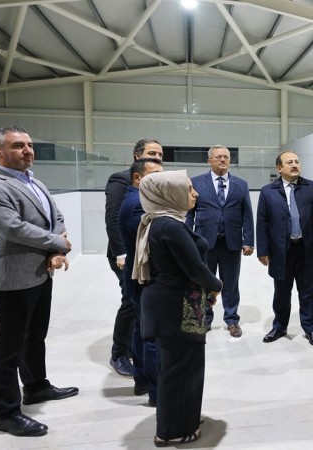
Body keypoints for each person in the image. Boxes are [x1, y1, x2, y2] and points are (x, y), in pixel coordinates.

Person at [0, 125, 78, 437]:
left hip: (40, 272)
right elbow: (13, 228)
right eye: (18, 145)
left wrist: (56, 248)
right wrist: (57, 243)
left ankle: (36, 386)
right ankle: (7, 413)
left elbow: (56, 218)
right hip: (11, 278)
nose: (27, 150)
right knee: (9, 347)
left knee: (35, 337)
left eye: (29, 145)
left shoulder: (35, 181)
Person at [132, 170, 222, 446]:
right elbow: (195, 269)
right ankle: (173, 431)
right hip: (177, 307)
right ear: (170, 194)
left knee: (178, 369)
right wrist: (216, 285)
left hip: (173, 304)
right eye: (189, 189)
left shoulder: (160, 221)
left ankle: (182, 419)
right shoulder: (169, 226)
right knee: (181, 369)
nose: (195, 193)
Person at [256, 151, 313, 347]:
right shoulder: (268, 191)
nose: (295, 165)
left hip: (307, 248)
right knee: (281, 292)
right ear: (279, 168)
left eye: (297, 161)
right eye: (289, 162)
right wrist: (262, 250)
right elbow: (262, 222)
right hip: (280, 250)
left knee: (308, 292)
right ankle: (279, 327)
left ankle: (311, 329)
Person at [104, 139, 164, 377]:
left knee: (142, 302)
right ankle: (119, 353)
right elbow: (113, 217)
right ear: (137, 155)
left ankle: (138, 348)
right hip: (127, 254)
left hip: (148, 253)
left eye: (159, 154)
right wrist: (122, 253)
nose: (157, 157)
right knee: (130, 301)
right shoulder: (120, 179)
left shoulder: (157, 178)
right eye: (152, 153)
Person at [186, 145, 254, 338]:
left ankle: (232, 320)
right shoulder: (196, 182)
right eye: (218, 157)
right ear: (209, 161)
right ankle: (204, 320)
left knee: (231, 283)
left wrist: (248, 240)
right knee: (203, 282)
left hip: (231, 243)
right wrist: (188, 239)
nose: (223, 160)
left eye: (226, 157)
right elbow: (190, 214)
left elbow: (247, 215)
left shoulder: (241, 184)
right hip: (204, 243)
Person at [118, 158, 164, 405]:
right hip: (143, 277)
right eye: (154, 175)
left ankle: (143, 380)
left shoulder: (139, 200)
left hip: (139, 275)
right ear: (137, 178)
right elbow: (156, 239)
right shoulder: (137, 204)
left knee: (142, 330)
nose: (160, 180)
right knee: (152, 335)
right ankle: (157, 392)